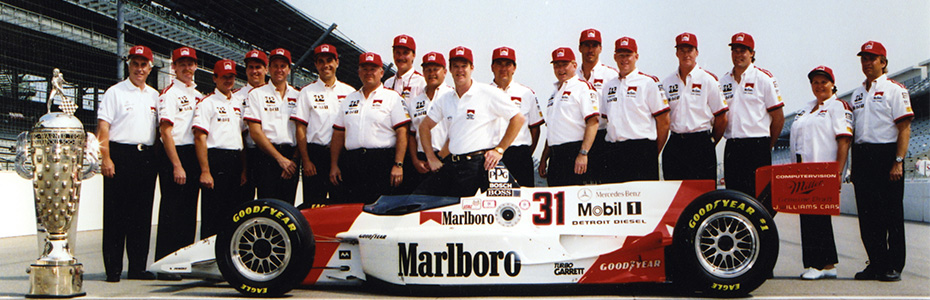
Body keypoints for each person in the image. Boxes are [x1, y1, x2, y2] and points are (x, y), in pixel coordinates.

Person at [414, 46, 525, 197]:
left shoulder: (487, 92)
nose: (460, 71)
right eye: (456, 67)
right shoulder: (445, 99)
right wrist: (431, 157)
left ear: (472, 68)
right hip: (452, 164)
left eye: (464, 66)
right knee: (421, 197)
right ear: (450, 70)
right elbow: (424, 126)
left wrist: (500, 149)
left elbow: (518, 118)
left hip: (478, 165)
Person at [848, 41, 912, 282]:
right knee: (867, 215)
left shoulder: (895, 89)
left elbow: (904, 128)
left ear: (883, 62)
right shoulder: (856, 93)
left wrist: (898, 161)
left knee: (891, 214)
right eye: (864, 58)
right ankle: (876, 262)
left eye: (872, 58)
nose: (867, 63)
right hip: (863, 156)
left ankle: (894, 264)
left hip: (886, 156)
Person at [97, 45, 159, 282]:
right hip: (120, 156)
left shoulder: (154, 95)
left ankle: (137, 267)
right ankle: (113, 269)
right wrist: (106, 158)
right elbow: (104, 127)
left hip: (145, 157)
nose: (139, 69)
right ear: (128, 65)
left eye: (144, 65)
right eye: (135, 64)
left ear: (150, 68)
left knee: (141, 215)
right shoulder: (115, 92)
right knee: (115, 215)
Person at [790, 65, 851, 280]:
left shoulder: (838, 106)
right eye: (815, 82)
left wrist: (838, 172)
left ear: (832, 84)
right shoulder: (806, 108)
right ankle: (827, 264)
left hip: (823, 168)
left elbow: (844, 139)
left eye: (823, 82)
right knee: (809, 217)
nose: (819, 86)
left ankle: (816, 263)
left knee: (818, 218)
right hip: (803, 169)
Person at [330, 52, 410, 204]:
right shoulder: (349, 99)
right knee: (353, 208)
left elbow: (402, 132)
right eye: (364, 69)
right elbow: (338, 134)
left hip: (382, 162)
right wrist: (334, 165)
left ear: (381, 72)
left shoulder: (392, 97)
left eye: (373, 69)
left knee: (380, 210)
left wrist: (398, 164)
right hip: (352, 162)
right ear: (359, 72)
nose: (368, 73)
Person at [154, 46, 202, 280]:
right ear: (173, 67)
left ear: (195, 66)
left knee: (188, 212)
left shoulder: (198, 94)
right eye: (181, 63)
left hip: (194, 155)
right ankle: (165, 264)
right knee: (172, 211)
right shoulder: (169, 94)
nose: (186, 68)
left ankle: (183, 262)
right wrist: (176, 164)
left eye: (190, 63)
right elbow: (166, 132)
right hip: (175, 155)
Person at [721, 32, 785, 196]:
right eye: (735, 50)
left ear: (752, 53)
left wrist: (767, 145)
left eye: (743, 50)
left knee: (758, 199)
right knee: (734, 198)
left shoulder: (764, 78)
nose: (738, 55)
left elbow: (778, 117)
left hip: (757, 146)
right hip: (733, 147)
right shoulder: (723, 82)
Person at [292, 44, 355, 207]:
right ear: (316, 65)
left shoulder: (350, 92)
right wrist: (306, 160)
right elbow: (300, 128)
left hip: (342, 155)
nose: (325, 65)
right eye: (321, 61)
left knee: (340, 203)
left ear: (337, 62)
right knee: (312, 204)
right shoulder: (307, 92)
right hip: (315, 155)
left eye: (329, 60)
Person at [601, 37, 670, 183]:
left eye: (628, 55)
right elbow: (607, 119)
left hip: (642, 150)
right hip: (614, 151)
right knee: (615, 201)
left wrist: (652, 152)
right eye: (620, 55)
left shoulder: (648, 82)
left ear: (636, 57)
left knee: (646, 201)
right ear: (614, 57)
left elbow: (664, 121)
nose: (624, 59)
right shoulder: (608, 86)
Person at [661, 32, 728, 181]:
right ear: (676, 53)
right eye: (682, 51)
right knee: (674, 196)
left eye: (690, 50)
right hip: (676, 143)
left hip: (700, 144)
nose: (686, 55)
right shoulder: (667, 82)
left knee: (703, 196)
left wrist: (710, 143)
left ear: (696, 52)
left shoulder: (708, 80)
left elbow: (722, 117)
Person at [192, 59, 247, 238]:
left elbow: (243, 137)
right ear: (215, 78)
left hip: (235, 161)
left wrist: (244, 169)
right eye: (224, 77)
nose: (228, 81)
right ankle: (208, 260)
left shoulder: (238, 103)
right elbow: (200, 137)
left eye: (231, 77)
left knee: (233, 214)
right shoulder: (207, 102)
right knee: (212, 214)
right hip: (216, 160)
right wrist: (205, 171)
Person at [243, 48, 300, 205]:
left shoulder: (298, 95)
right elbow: (255, 132)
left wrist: (293, 160)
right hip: (266, 157)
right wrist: (280, 159)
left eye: (283, 66)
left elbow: (301, 131)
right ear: (268, 69)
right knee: (267, 207)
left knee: (288, 208)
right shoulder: (256, 94)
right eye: (275, 65)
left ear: (289, 69)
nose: (279, 70)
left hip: (291, 159)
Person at [538, 47, 599, 187]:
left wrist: (583, 153)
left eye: (564, 65)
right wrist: (544, 158)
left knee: (578, 201)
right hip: (555, 155)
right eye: (557, 65)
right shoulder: (554, 93)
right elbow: (553, 129)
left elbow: (593, 122)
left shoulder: (583, 88)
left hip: (575, 152)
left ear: (574, 65)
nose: (561, 69)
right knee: (558, 203)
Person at [490, 47, 544, 187]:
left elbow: (535, 128)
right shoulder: (483, 93)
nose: (503, 68)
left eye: (508, 64)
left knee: (524, 199)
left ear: (514, 68)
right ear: (492, 67)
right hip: (491, 155)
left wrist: (526, 153)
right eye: (499, 64)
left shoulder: (526, 93)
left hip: (519, 154)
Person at [384, 34, 427, 194]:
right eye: (398, 52)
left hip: (413, 148)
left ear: (413, 55)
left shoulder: (421, 82)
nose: (401, 57)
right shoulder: (387, 83)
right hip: (391, 147)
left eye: (405, 53)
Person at [576, 28, 618, 184]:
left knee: (604, 188)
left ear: (600, 48)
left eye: (594, 45)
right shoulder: (574, 76)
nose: (590, 50)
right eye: (586, 45)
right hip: (579, 137)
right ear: (580, 48)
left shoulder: (611, 75)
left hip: (602, 136)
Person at [405, 51, 453, 188]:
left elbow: (458, 131)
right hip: (422, 162)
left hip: (446, 158)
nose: (432, 73)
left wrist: (439, 158)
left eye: (435, 69)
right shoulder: (415, 101)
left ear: (444, 71)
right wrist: (415, 161)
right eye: (428, 70)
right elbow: (412, 134)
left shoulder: (453, 96)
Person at [235, 49, 268, 203]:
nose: (254, 71)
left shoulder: (274, 94)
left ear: (266, 70)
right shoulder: (235, 96)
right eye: (251, 67)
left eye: (258, 67)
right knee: (241, 201)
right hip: (245, 154)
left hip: (267, 152)